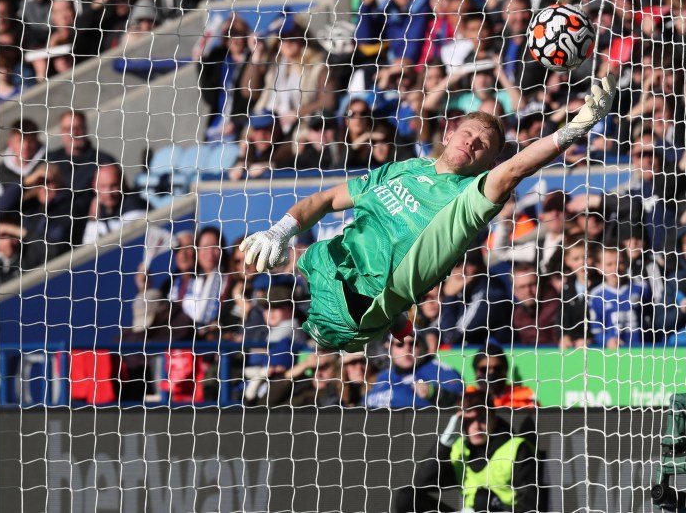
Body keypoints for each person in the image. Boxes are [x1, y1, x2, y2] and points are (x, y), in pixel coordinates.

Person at [240, 76, 618, 352]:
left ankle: (389, 314)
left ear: (488, 161)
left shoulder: (469, 199)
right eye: (468, 133)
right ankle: (396, 316)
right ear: (451, 132)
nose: (471, 142)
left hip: (353, 309)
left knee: (308, 329)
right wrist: (280, 230)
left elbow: (515, 171)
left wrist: (575, 128)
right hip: (331, 265)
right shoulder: (406, 168)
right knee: (302, 256)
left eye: (482, 145)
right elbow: (326, 198)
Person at [393, 390, 539, 513]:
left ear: (493, 418)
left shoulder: (517, 448)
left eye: (482, 419)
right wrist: (444, 444)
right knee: (407, 497)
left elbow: (529, 505)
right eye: (469, 421)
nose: (476, 427)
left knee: (483, 498)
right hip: (470, 510)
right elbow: (422, 482)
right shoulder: (459, 449)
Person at [364, 334, 463, 409]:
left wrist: (432, 392)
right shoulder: (383, 376)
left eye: (413, 343)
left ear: (422, 346)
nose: (407, 349)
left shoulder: (437, 369)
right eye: (400, 344)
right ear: (389, 348)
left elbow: (460, 397)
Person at [466, 343, 538, 409]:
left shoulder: (524, 397)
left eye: (497, 369)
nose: (491, 373)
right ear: (476, 372)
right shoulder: (466, 399)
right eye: (484, 369)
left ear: (505, 371)